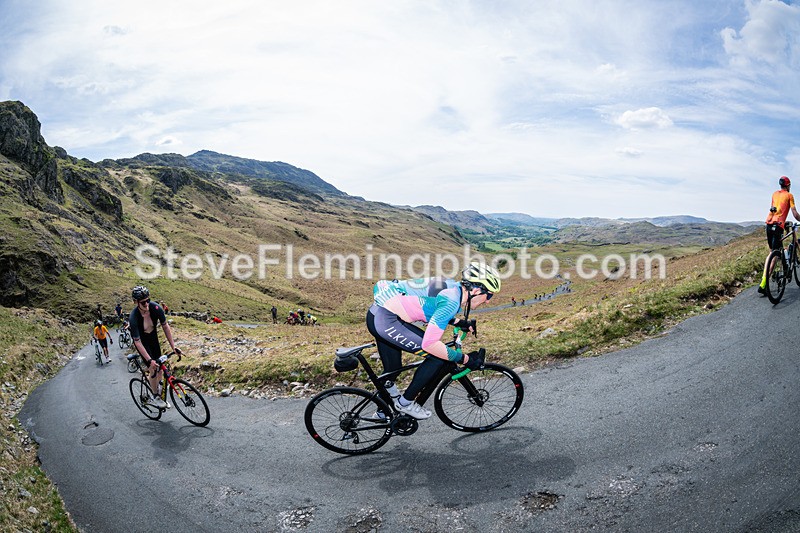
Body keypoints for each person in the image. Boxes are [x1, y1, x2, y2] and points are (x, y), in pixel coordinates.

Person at [367, 262, 501, 420]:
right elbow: (430, 344)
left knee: (393, 368)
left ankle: (383, 411)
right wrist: (466, 360)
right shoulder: (452, 301)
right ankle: (405, 404)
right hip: (387, 321)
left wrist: (460, 323)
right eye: (489, 295)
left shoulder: (452, 287)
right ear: (476, 290)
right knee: (437, 357)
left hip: (377, 314)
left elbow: (432, 306)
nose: (488, 301)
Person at [128, 286, 181, 409]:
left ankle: (157, 385)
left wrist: (173, 347)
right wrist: (149, 360)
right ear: (136, 302)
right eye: (143, 302)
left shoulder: (155, 308)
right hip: (142, 343)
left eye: (148, 300)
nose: (146, 304)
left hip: (153, 339)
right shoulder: (134, 317)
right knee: (153, 368)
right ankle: (155, 396)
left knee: (161, 368)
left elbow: (165, 326)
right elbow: (138, 342)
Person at [759, 176, 800, 295]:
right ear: (788, 185)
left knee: (772, 252)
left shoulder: (774, 194)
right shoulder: (789, 196)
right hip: (778, 226)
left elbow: (775, 210)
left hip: (769, 224)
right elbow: (795, 214)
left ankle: (782, 267)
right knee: (775, 255)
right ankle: (763, 284)